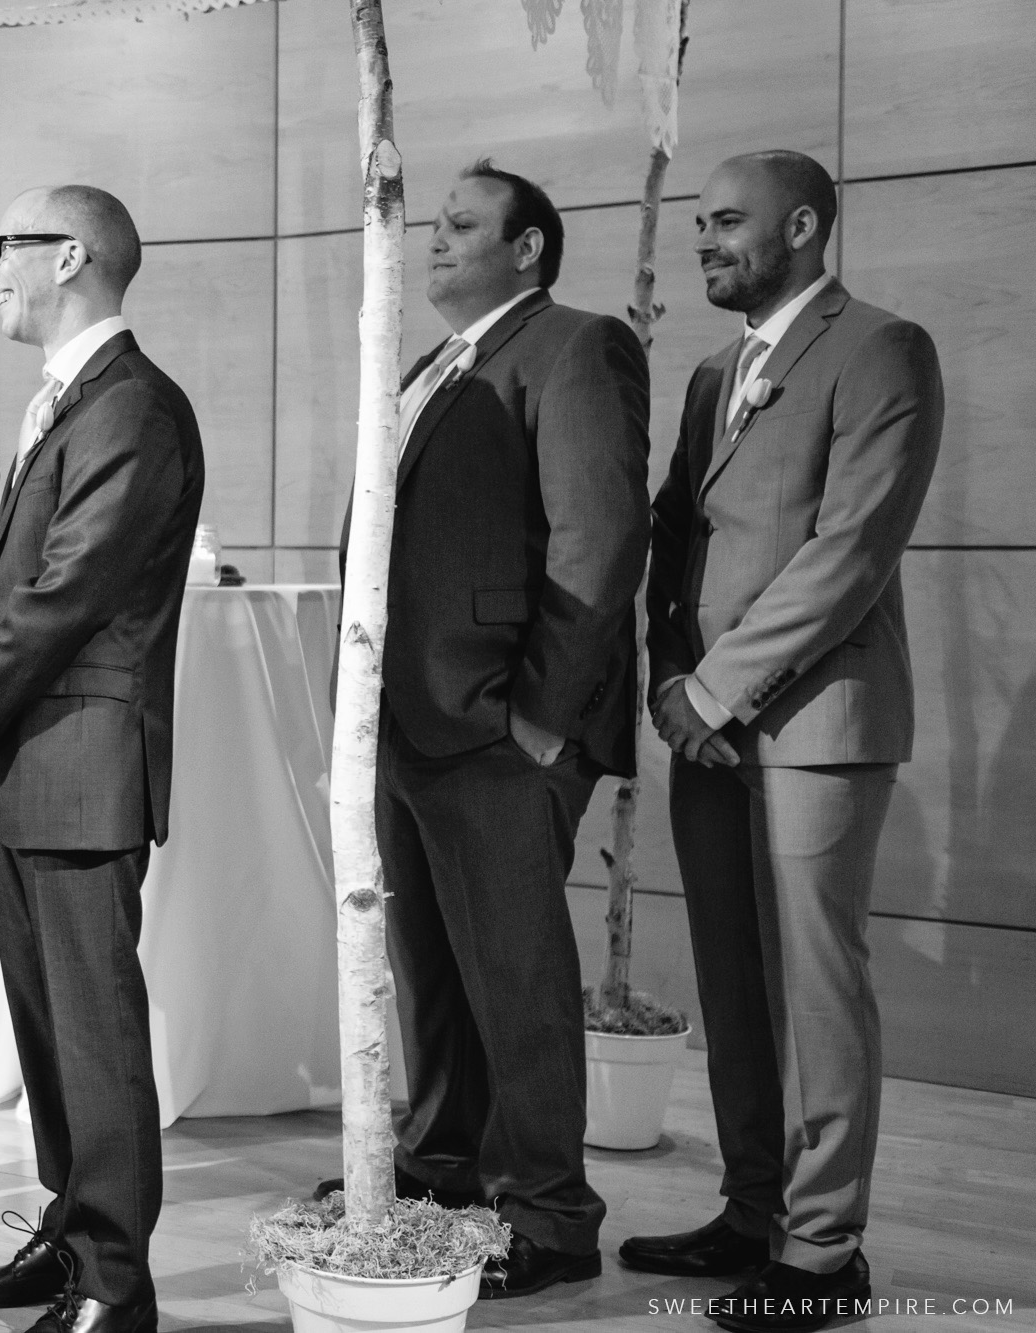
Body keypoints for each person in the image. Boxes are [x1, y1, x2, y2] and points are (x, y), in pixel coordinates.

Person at [624, 151, 943, 1333]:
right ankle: (750, 1209)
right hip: (704, 726)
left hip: (815, 724)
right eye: (700, 223)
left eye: (725, 223)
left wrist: (718, 690)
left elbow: (851, 551)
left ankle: (820, 1253)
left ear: (803, 226)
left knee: (812, 989)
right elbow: (673, 540)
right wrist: (669, 678)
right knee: (729, 978)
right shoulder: (713, 371)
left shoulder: (880, 348)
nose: (704, 240)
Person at [342, 162, 650, 1299]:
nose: (434, 240)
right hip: (411, 720)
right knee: (433, 968)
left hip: (498, 728)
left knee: (515, 977)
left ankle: (551, 1216)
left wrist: (534, 721)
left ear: (527, 249)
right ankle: (441, 1169)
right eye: (434, 222)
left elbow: (596, 544)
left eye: (463, 224)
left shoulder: (576, 345)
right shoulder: (433, 364)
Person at [0, 185, 206, 1333]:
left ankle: (116, 1291)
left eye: (2, 249)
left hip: (82, 762)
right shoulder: (71, 400)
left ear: (69, 255)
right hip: (37, 763)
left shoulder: (129, 405)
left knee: (94, 1035)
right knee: (45, 1029)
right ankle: (67, 1239)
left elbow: (59, 595)